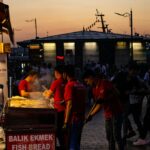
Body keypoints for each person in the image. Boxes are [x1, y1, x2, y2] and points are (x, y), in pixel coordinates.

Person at [83, 69, 124, 150]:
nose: (87, 83)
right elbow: (98, 104)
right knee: (109, 136)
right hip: (107, 114)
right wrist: (90, 115)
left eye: (87, 81)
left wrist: (105, 99)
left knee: (116, 135)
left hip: (116, 112)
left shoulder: (104, 83)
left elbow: (116, 94)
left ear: (91, 77)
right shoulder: (94, 89)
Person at [63, 65, 86, 150]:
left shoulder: (69, 85)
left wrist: (65, 122)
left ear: (65, 74)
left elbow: (70, 104)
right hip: (81, 118)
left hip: (73, 119)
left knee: (71, 143)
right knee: (76, 142)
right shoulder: (80, 85)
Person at [43, 65, 66, 149]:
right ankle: (64, 145)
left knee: (58, 129)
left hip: (58, 109)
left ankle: (58, 146)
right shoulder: (65, 81)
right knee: (63, 129)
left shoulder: (56, 82)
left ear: (56, 73)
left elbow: (48, 95)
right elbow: (58, 93)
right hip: (65, 109)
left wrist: (45, 93)